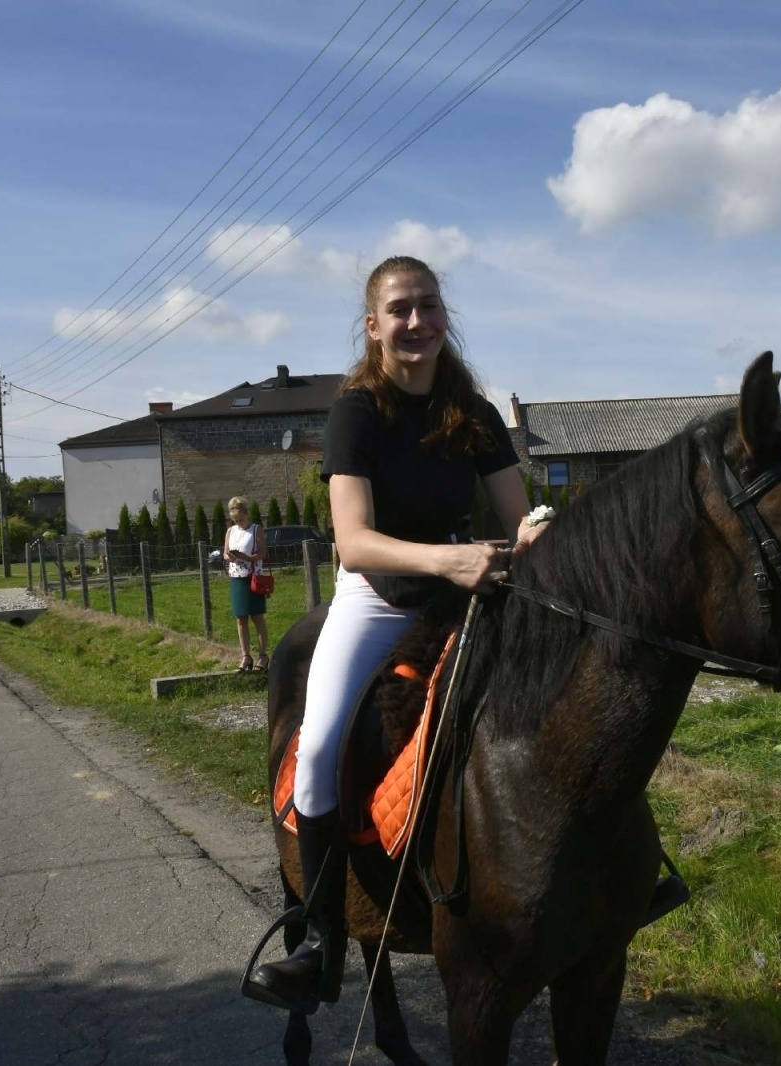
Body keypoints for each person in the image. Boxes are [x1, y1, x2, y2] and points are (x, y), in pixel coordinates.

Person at [243, 255, 549, 1013]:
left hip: (466, 594)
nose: (418, 322)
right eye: (400, 310)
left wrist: (540, 536)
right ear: (374, 326)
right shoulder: (355, 411)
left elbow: (519, 516)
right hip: (377, 600)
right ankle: (316, 937)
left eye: (429, 306)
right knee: (316, 746)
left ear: (446, 316)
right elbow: (353, 541)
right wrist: (450, 558)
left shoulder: (473, 412)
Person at [223, 496, 270, 672]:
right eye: (235, 520)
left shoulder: (256, 529)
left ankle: (263, 656)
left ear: (246, 514)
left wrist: (248, 558)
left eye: (241, 519)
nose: (239, 523)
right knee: (240, 617)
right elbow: (225, 554)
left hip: (253, 577)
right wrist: (231, 556)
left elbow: (263, 553)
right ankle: (245, 656)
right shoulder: (230, 531)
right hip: (236, 576)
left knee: (257, 616)